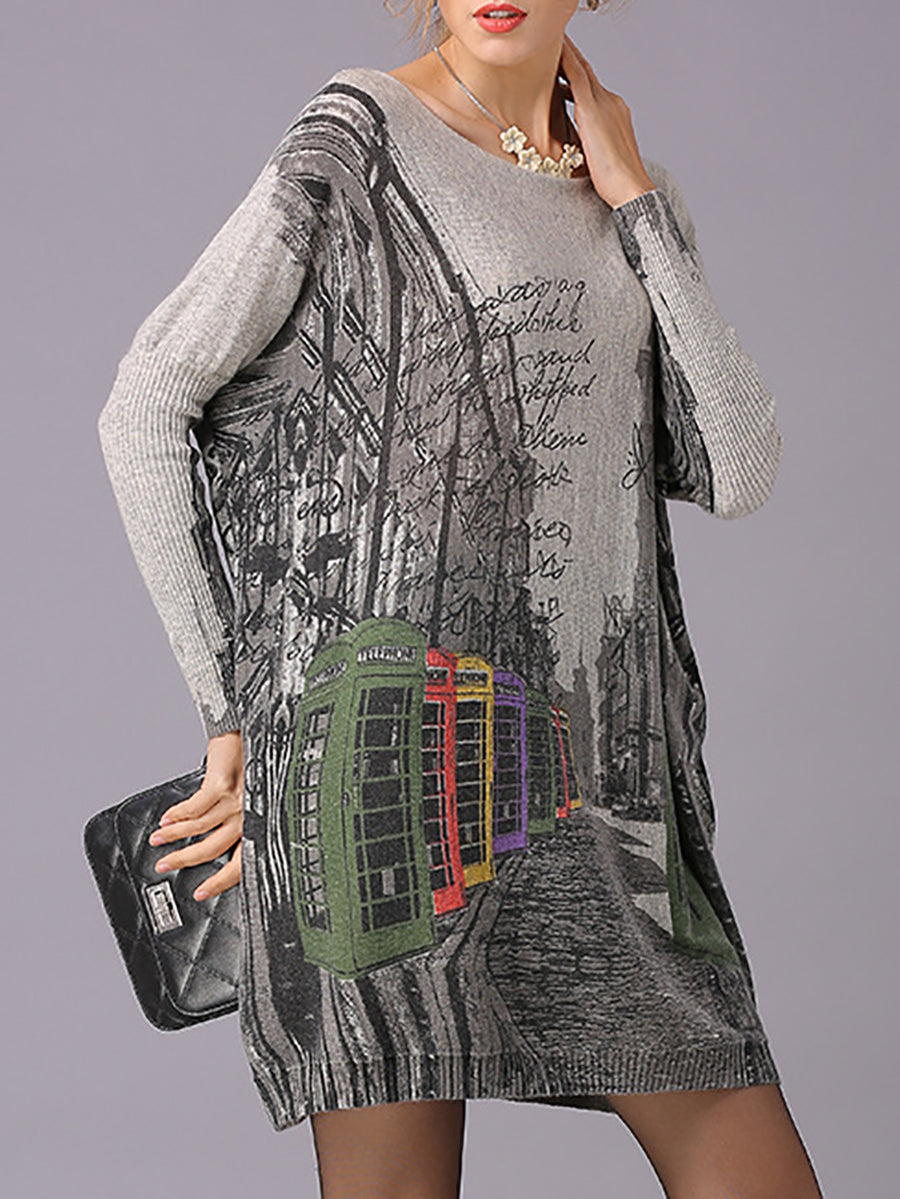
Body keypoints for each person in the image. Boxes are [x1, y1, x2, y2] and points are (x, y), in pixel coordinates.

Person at [96, 1, 824, 1195]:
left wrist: (634, 194)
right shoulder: (359, 137)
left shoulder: (635, 200)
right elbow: (146, 403)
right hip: (370, 765)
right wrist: (230, 707)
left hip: (593, 793)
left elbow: (739, 469)